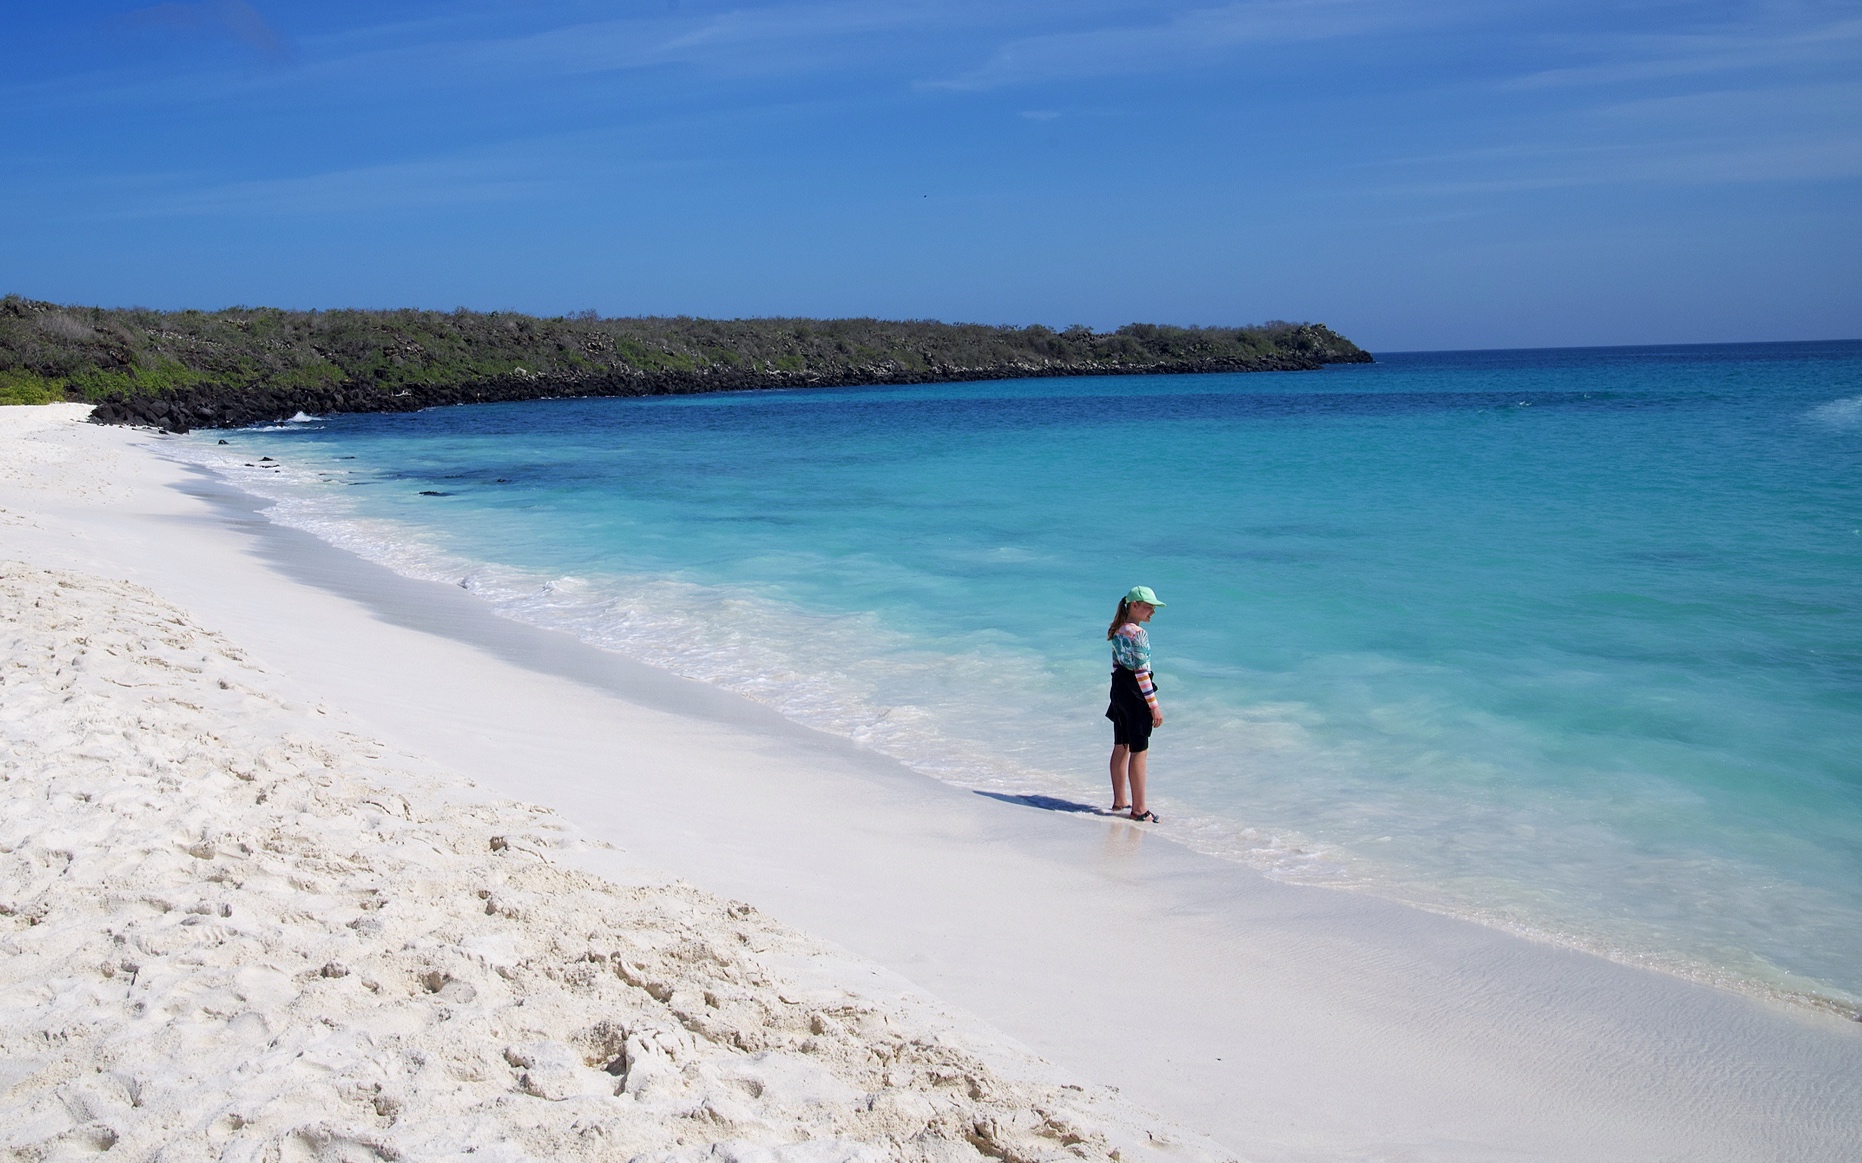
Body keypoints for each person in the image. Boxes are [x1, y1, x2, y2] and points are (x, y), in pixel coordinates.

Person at [1106, 585, 1165, 822]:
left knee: (1121, 744)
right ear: (1135, 606)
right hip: (1135, 693)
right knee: (1139, 751)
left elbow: (1116, 665)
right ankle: (1139, 809)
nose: (1152, 612)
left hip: (1118, 689)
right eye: (1149, 607)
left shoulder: (1118, 630)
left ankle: (1120, 801)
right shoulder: (1138, 634)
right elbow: (1141, 672)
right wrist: (1153, 704)